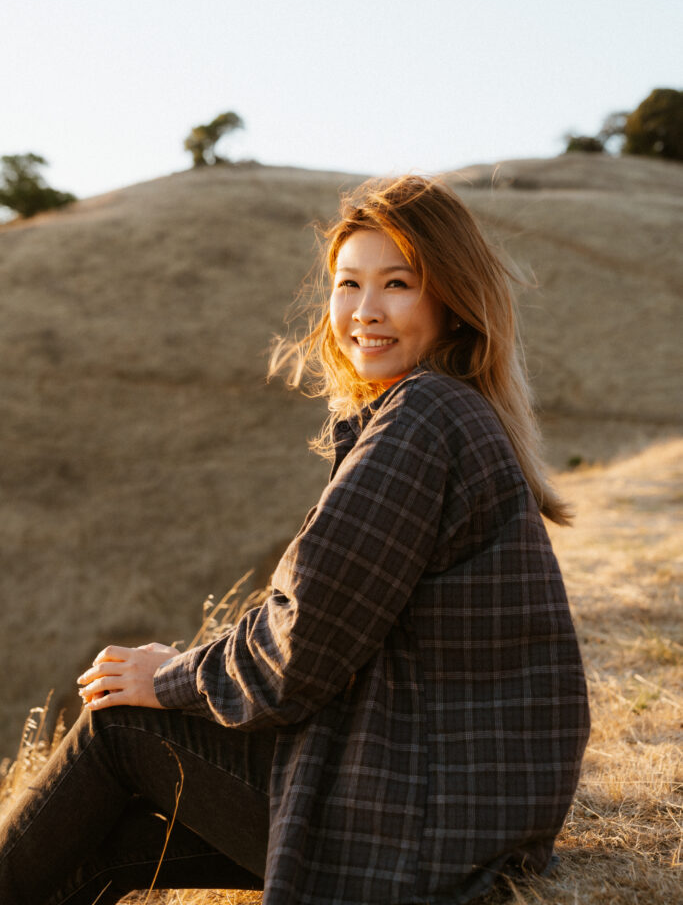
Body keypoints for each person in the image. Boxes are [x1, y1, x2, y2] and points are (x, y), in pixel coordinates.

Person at [0, 175, 590, 905]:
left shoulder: (423, 420)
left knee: (117, 725)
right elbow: (328, 625)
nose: (364, 312)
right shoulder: (454, 413)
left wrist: (170, 678)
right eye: (348, 285)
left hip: (414, 830)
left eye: (396, 284)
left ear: (450, 299)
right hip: (460, 816)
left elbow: (298, 650)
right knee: (98, 851)